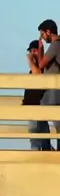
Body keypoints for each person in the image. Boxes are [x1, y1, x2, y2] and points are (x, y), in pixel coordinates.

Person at [28, 20, 60, 150]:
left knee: (50, 123)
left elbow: (41, 64)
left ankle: (49, 151)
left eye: (42, 34)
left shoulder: (55, 45)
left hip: (54, 93)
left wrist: (40, 49)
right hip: (53, 93)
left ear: (48, 31)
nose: (42, 37)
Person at [24, 40, 52, 151]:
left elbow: (38, 75)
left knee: (37, 142)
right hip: (33, 109)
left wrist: (31, 62)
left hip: (38, 109)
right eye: (31, 51)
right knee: (40, 140)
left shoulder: (42, 67)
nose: (32, 53)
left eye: (35, 50)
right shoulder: (33, 69)